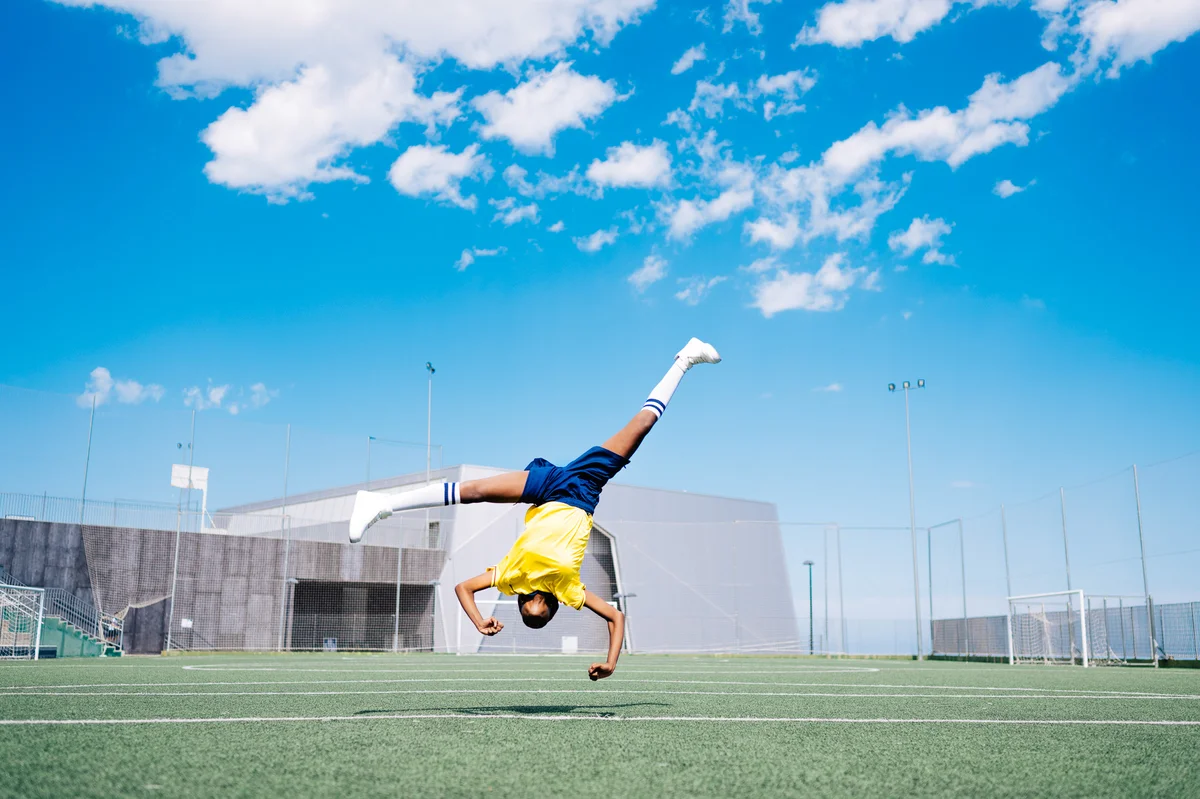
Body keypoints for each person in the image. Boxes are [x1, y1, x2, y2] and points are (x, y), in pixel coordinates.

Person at [347, 337, 721, 679]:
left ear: (523, 599)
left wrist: (478, 621)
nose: (538, 600)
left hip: (545, 491)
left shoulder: (512, 577)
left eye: (532, 604)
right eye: (544, 606)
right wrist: (610, 663)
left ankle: (384, 504)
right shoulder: (567, 588)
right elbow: (615, 616)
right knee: (642, 424)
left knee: (475, 491)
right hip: (584, 489)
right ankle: (684, 359)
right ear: (553, 606)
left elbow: (463, 588)